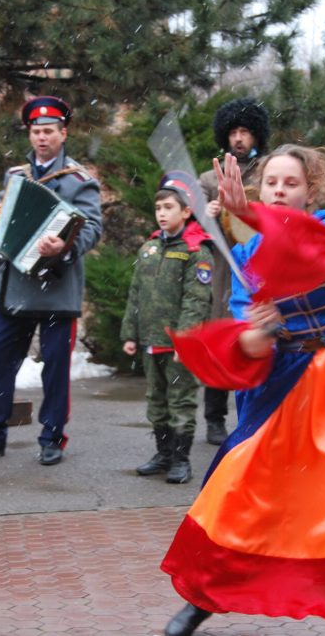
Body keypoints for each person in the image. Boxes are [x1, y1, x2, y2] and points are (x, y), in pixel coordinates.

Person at [161, 146, 325, 636]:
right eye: (271, 183)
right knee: (237, 500)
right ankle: (198, 604)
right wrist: (259, 332)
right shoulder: (244, 256)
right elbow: (248, 342)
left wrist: (246, 215)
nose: (280, 191)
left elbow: (309, 251)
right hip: (284, 392)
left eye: (291, 183)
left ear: (311, 191)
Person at [0, 96, 102, 466]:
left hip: (57, 288)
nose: (42, 138)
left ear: (63, 134)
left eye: (49, 131)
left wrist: (63, 245)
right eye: (36, 132)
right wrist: (1, 215)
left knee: (55, 369)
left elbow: (92, 228)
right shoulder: (17, 175)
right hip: (15, 287)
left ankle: (52, 437)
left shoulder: (80, 181)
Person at [121, 173, 214, 484]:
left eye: (169, 207)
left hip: (178, 345)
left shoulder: (195, 251)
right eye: (158, 207)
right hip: (151, 340)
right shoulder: (149, 249)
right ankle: (163, 454)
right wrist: (130, 334)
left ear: (186, 212)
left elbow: (196, 301)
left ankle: (181, 459)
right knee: (156, 400)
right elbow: (136, 293)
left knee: (181, 400)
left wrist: (184, 340)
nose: (161, 213)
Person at [195, 97, 270, 445]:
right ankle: (214, 418)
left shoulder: (267, 173)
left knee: (258, 340)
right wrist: (207, 213)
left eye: (245, 132)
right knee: (221, 342)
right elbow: (191, 225)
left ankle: (257, 416)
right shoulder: (209, 178)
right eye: (233, 132)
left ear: (256, 135)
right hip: (223, 271)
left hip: (259, 269)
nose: (239, 139)